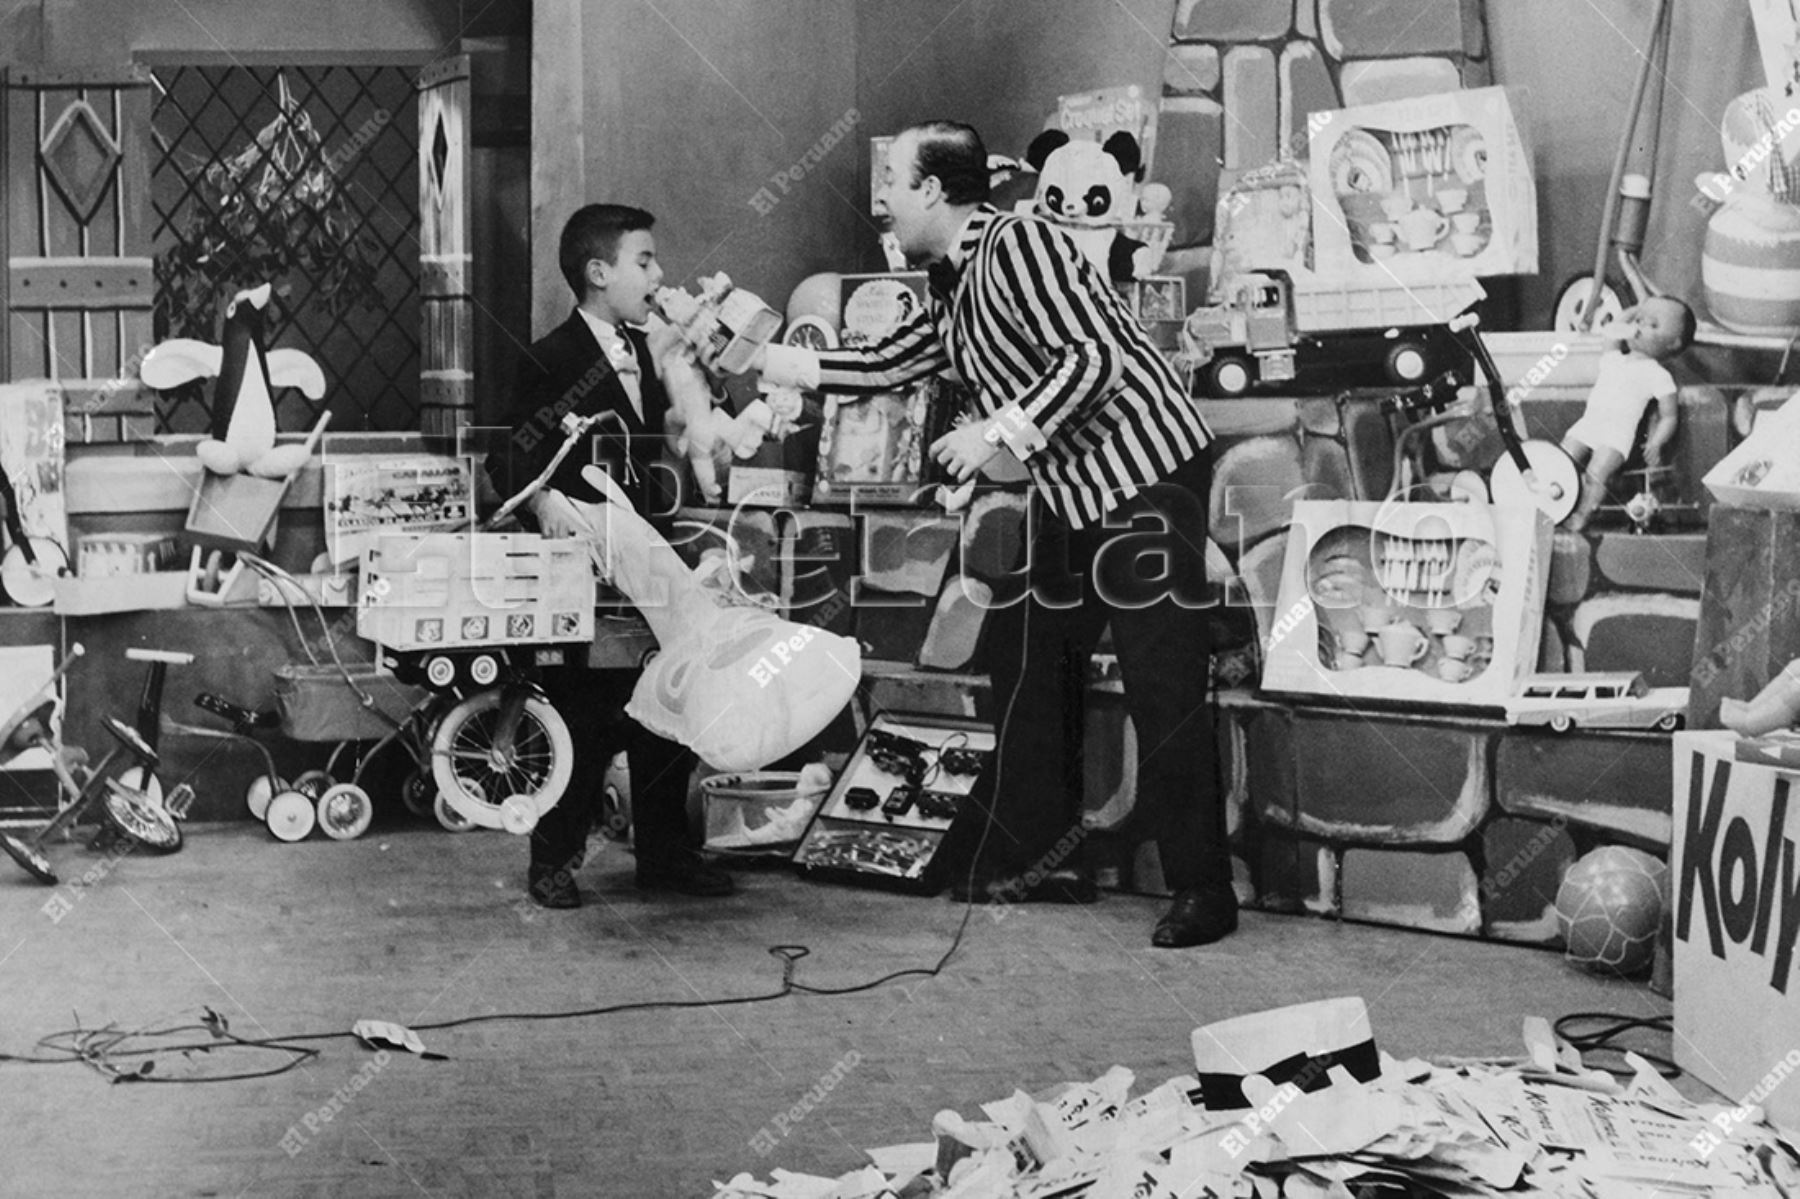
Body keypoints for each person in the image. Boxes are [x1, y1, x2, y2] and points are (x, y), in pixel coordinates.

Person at [756, 121, 1235, 948]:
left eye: (895, 184)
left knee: (1164, 681)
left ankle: (1204, 889)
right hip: (1077, 487)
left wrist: (996, 431)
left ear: (936, 192)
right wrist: (765, 357)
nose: (883, 201)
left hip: (1147, 476)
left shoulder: (1017, 243)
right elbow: (884, 363)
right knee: (1025, 656)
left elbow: (1093, 361)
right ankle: (1048, 857)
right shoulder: (950, 278)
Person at [494, 203, 733, 907]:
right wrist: (547, 509)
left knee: (669, 706)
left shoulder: (656, 352)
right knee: (586, 716)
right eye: (645, 260)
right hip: (586, 572)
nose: (659, 274)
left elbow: (682, 430)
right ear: (599, 273)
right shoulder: (550, 357)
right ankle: (555, 862)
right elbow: (511, 459)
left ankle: (666, 856)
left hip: (654, 557)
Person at [1561, 294, 1694, 530]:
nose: (1640, 327)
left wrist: (1656, 441)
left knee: (1596, 472)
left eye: (1653, 325)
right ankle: (1553, 507)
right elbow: (1611, 332)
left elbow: (1669, 416)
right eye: (1640, 320)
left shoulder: (1658, 375)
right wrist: (1634, 312)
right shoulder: (1614, 358)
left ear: (1673, 343)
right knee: (1562, 459)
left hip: (1616, 434)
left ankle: (1582, 514)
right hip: (1589, 424)